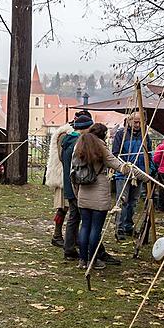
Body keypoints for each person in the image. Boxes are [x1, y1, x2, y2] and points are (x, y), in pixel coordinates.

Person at [73, 123, 146, 269]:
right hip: (99, 192)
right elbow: (120, 166)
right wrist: (144, 176)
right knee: (95, 229)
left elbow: (72, 172)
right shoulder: (101, 148)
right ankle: (93, 260)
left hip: (83, 191)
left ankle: (82, 260)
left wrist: (77, 193)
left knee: (85, 226)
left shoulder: (79, 147)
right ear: (103, 135)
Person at [111, 113, 152, 238]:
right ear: (129, 121)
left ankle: (128, 226)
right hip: (124, 173)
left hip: (139, 173)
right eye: (135, 122)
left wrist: (149, 169)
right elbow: (115, 154)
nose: (137, 125)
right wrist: (126, 167)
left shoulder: (145, 136)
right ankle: (120, 228)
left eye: (140, 122)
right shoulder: (121, 134)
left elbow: (148, 154)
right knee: (122, 201)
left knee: (133, 202)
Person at [60, 111, 94, 259]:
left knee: (74, 217)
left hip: (69, 183)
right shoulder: (78, 143)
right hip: (77, 185)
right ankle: (78, 246)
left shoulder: (67, 141)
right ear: (85, 128)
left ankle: (69, 248)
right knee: (82, 219)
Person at [45, 121, 74, 247]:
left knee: (72, 209)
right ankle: (57, 235)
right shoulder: (64, 134)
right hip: (63, 176)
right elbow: (63, 156)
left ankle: (72, 236)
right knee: (62, 208)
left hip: (69, 176)